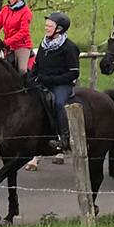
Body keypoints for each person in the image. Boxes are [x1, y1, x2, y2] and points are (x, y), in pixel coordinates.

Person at [29, 12, 79, 153]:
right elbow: (37, 65)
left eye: (49, 26)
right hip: (43, 81)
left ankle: (64, 138)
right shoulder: (44, 44)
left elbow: (74, 72)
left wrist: (51, 80)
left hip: (62, 85)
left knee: (58, 103)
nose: (46, 28)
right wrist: (31, 77)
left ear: (59, 29)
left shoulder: (69, 47)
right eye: (46, 25)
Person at [0, 0, 35, 73]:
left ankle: (27, 86)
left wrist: (6, 42)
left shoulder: (26, 13)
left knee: (22, 70)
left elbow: (23, 32)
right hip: (7, 45)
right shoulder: (6, 9)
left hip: (22, 45)